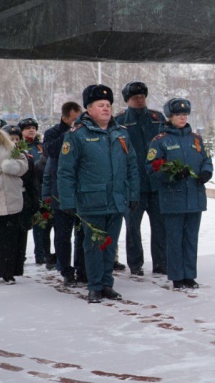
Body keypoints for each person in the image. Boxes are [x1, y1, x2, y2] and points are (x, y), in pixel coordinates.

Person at [57, 85, 139, 303]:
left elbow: (132, 166)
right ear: (89, 109)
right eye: (100, 105)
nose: (106, 109)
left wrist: (133, 194)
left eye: (108, 105)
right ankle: (94, 286)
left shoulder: (121, 133)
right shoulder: (77, 135)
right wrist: (67, 200)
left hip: (116, 199)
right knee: (93, 246)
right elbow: (66, 172)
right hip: (90, 200)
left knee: (109, 245)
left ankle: (106, 284)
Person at [145, 98, 212, 291]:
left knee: (191, 238)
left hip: (195, 196)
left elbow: (206, 159)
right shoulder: (161, 141)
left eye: (184, 114)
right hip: (173, 197)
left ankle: (189, 275)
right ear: (170, 117)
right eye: (178, 115)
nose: (182, 117)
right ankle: (176, 276)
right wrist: (171, 175)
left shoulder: (195, 139)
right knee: (174, 239)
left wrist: (206, 172)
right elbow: (151, 167)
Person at [115, 81, 167, 276]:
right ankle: (135, 264)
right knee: (132, 229)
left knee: (160, 226)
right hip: (133, 185)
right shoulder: (119, 121)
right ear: (128, 100)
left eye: (142, 97)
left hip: (155, 183)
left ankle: (161, 263)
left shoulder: (157, 118)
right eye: (135, 98)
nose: (140, 100)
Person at [0, 110, 28, 284]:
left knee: (8, 239)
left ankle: (8, 271)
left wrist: (14, 166)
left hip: (9, 199)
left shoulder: (9, 145)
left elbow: (24, 164)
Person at [43, 102, 85, 287]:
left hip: (81, 190)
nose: (77, 123)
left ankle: (82, 268)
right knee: (62, 234)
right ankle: (66, 270)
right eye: (74, 119)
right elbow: (51, 151)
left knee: (82, 233)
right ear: (65, 118)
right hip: (60, 191)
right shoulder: (53, 133)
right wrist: (69, 134)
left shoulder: (84, 133)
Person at [2, 125, 39, 277]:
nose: (15, 142)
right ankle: (6, 266)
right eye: (11, 139)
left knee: (21, 233)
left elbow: (32, 183)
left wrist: (35, 201)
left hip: (24, 199)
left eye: (17, 139)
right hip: (5, 199)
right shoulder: (1, 157)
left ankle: (18, 266)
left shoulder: (26, 158)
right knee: (6, 235)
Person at [18, 117, 54, 269]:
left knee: (43, 225)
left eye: (33, 127)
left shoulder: (41, 146)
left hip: (41, 190)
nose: (31, 130)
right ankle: (21, 255)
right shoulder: (19, 147)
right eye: (27, 128)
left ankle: (42, 254)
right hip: (25, 192)